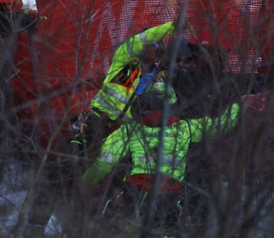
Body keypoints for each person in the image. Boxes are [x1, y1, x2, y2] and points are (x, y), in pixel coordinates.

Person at [82, 83, 241, 227]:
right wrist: (238, 106)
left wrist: (83, 184)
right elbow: (219, 127)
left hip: (134, 195)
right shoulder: (184, 128)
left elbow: (104, 163)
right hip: (170, 196)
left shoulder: (129, 130)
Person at [72, 20, 177, 153]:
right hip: (99, 118)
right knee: (81, 152)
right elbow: (144, 39)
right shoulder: (123, 59)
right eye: (146, 45)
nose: (146, 49)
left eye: (154, 48)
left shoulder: (152, 75)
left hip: (120, 130)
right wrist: (172, 26)